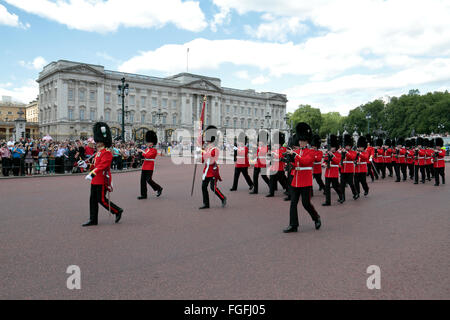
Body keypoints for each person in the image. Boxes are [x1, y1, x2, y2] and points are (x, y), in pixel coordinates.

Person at [82, 122, 123, 227]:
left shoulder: (107, 153)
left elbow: (102, 166)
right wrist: (86, 166)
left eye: (98, 141)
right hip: (95, 179)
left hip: (101, 179)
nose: (96, 143)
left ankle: (117, 211)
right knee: (92, 200)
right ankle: (93, 219)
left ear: (103, 142)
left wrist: (92, 173)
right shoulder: (98, 153)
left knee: (102, 200)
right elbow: (96, 166)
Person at [283, 122, 321, 233]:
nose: (301, 142)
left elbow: (306, 162)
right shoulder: (296, 151)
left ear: (307, 141)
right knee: (293, 203)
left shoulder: (311, 152)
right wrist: (288, 161)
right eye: (300, 140)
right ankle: (293, 225)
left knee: (306, 203)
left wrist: (295, 156)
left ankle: (316, 217)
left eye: (303, 140)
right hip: (296, 180)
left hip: (305, 180)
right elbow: (295, 164)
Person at [199, 125, 227, 209]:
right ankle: (206, 203)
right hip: (206, 170)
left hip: (213, 170)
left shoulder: (215, 149)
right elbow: (203, 160)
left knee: (212, 187)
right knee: (203, 187)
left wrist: (202, 151)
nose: (207, 142)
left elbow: (212, 159)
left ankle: (223, 198)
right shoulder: (207, 148)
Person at [137, 130, 163, 200]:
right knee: (142, 181)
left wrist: (142, 151)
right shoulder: (147, 149)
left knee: (148, 180)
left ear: (151, 143)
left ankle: (159, 188)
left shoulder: (154, 150)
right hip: (144, 166)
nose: (146, 143)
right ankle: (143, 195)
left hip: (150, 166)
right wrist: (141, 152)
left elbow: (148, 156)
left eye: (148, 142)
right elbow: (143, 155)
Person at [322, 134, 343, 206]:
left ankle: (341, 196)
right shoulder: (328, 153)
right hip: (328, 172)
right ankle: (328, 201)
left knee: (335, 186)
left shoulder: (338, 154)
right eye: (331, 147)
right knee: (327, 187)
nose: (331, 148)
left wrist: (332, 156)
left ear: (335, 147)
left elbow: (337, 161)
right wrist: (324, 163)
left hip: (334, 172)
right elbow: (325, 160)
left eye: (332, 147)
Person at [266, 131, 288, 197]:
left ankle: (288, 189)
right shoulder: (274, 149)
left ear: (280, 144)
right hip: (273, 168)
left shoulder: (283, 149)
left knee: (282, 180)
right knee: (271, 180)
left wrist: (272, 154)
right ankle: (271, 192)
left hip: (280, 168)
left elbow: (279, 157)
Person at [250, 130, 270, 195]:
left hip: (262, 164)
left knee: (264, 177)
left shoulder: (266, 147)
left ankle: (271, 187)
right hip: (257, 164)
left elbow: (262, 153)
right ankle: (255, 190)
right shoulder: (259, 147)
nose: (259, 142)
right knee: (255, 177)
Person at [339, 134, 359, 201]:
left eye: (348, 146)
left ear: (350, 146)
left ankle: (355, 193)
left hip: (349, 170)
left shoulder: (353, 152)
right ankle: (342, 198)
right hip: (342, 170)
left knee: (351, 183)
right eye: (346, 146)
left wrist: (346, 152)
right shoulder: (342, 152)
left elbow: (352, 157)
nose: (347, 147)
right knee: (342, 185)